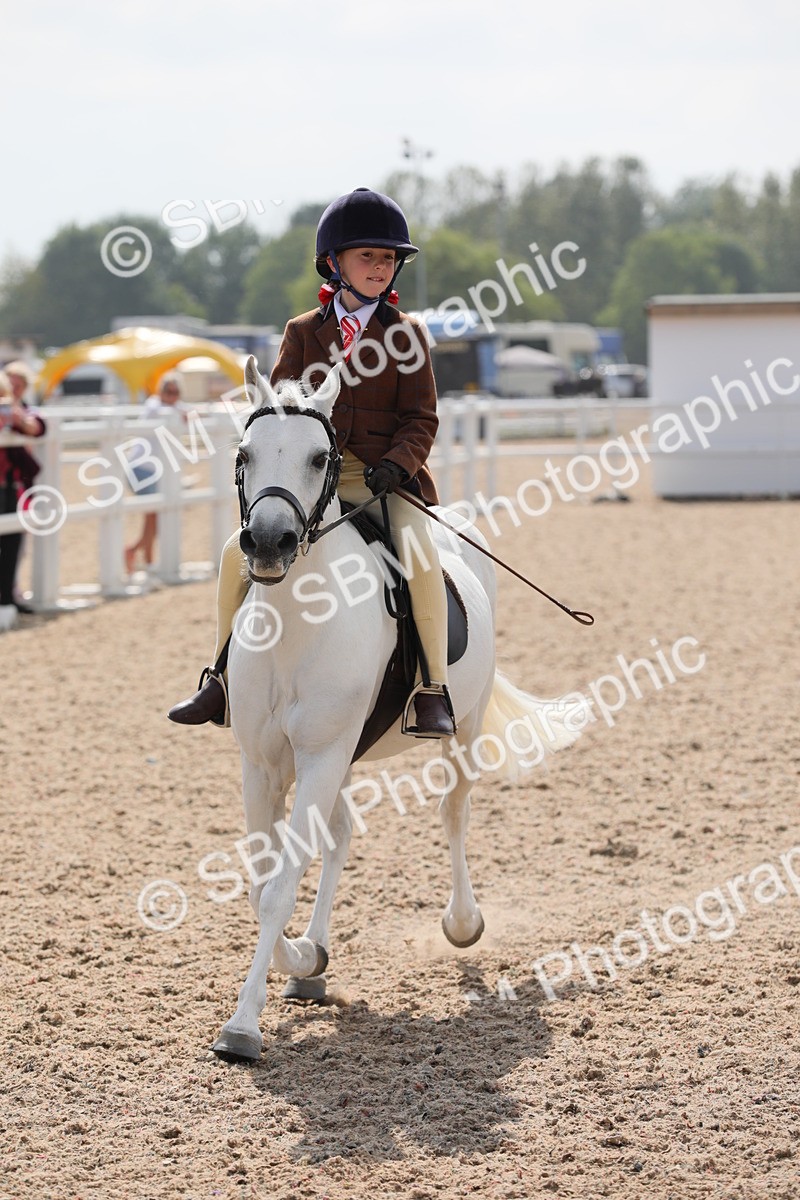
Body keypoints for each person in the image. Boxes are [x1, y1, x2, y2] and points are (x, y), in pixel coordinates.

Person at [168, 186, 455, 737]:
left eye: (388, 258)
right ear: (334, 263)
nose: (379, 266)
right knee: (236, 555)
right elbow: (278, 412)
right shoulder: (303, 333)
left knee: (419, 560)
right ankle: (220, 678)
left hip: (383, 479)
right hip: (308, 477)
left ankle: (431, 688)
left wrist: (397, 464)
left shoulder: (408, 334)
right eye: (367, 256)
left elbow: (422, 418)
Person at [124, 373, 186, 575]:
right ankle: (142, 557)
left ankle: (139, 555)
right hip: (143, 470)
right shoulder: (153, 407)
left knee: (153, 517)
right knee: (153, 516)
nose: (172, 396)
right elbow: (168, 413)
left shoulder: (167, 408)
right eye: (168, 392)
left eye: (175, 393)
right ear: (161, 392)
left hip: (148, 470)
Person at [0, 365, 46, 630]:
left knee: (13, 546)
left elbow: (39, 428)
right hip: (8, 486)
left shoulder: (22, 412)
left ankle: (8, 597)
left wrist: (16, 420)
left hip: (10, 486)